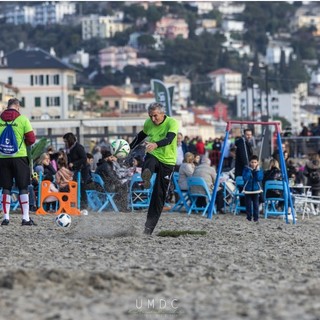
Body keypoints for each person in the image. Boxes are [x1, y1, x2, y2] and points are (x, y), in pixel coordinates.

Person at [129, 102, 179, 235]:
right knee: (149, 160)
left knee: (159, 195)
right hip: (154, 155)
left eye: (155, 116)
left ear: (162, 114)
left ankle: (148, 228)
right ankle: (147, 177)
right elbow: (140, 136)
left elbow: (169, 139)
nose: (152, 119)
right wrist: (128, 148)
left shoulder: (172, 122)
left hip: (168, 161)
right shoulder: (148, 123)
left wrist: (156, 144)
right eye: (150, 116)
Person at [0, 98, 36, 225]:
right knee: (23, 187)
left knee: (6, 187)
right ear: (17, 106)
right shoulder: (22, 119)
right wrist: (22, 143)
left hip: (3, 158)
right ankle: (25, 218)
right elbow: (31, 139)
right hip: (19, 156)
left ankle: (6, 218)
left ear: (7, 106)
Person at [63, 132, 88, 208]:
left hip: (81, 171)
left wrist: (74, 163)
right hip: (74, 171)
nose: (65, 143)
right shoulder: (69, 149)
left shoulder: (78, 147)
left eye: (66, 141)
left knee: (81, 188)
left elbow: (84, 158)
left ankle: (84, 205)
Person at [242, 155, 264, 223]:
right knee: (248, 204)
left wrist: (257, 171)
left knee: (256, 205)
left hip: (256, 189)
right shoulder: (246, 169)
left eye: (255, 162)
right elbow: (245, 178)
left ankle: (256, 218)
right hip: (248, 189)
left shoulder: (259, 170)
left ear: (257, 163)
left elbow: (259, 179)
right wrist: (249, 171)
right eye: (252, 162)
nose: (253, 164)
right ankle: (248, 217)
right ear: (249, 162)